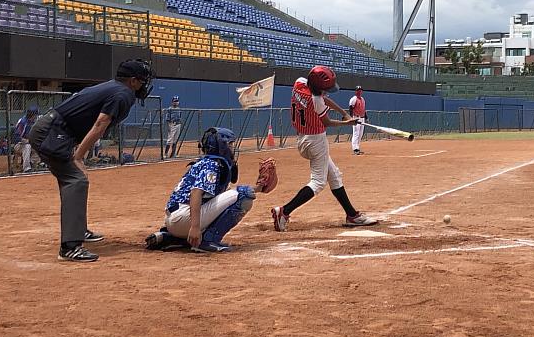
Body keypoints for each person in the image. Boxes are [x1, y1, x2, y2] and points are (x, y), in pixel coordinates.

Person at [28, 59, 154, 263]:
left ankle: (77, 230)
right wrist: (78, 157)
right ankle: (70, 247)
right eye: (141, 81)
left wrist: (78, 153)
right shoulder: (122, 94)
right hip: (52, 132)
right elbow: (100, 124)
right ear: (132, 81)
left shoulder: (115, 88)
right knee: (76, 180)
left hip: (57, 132)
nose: (143, 85)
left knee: (72, 180)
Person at [271, 65, 378, 231]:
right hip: (316, 141)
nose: (327, 91)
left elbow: (324, 98)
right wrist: (347, 122)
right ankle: (284, 211)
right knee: (318, 182)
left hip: (303, 138)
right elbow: (327, 122)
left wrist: (345, 113)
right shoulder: (316, 101)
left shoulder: (299, 83)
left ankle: (351, 215)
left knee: (334, 175)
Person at [145, 127, 260, 253]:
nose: (232, 148)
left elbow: (223, 197)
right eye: (230, 144)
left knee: (242, 194)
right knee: (244, 194)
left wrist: (259, 188)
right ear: (220, 146)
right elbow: (196, 193)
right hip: (184, 218)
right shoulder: (212, 164)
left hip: (175, 220)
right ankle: (208, 241)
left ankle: (172, 238)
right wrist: (195, 227)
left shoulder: (206, 162)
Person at [12, 107, 39, 173]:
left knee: (41, 145)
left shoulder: (34, 122)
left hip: (30, 143)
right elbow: (16, 137)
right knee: (27, 147)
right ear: (32, 115)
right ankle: (27, 168)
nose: (36, 116)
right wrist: (26, 141)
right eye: (36, 115)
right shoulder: (23, 122)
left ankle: (32, 162)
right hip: (18, 144)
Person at [348, 85, 368, 155]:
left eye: (360, 90)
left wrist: (366, 117)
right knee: (356, 133)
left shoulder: (362, 99)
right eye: (358, 90)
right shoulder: (353, 99)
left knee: (360, 133)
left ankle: (358, 147)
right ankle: (355, 148)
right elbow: (351, 108)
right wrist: (351, 118)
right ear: (355, 91)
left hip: (362, 118)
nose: (359, 91)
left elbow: (364, 109)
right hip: (356, 118)